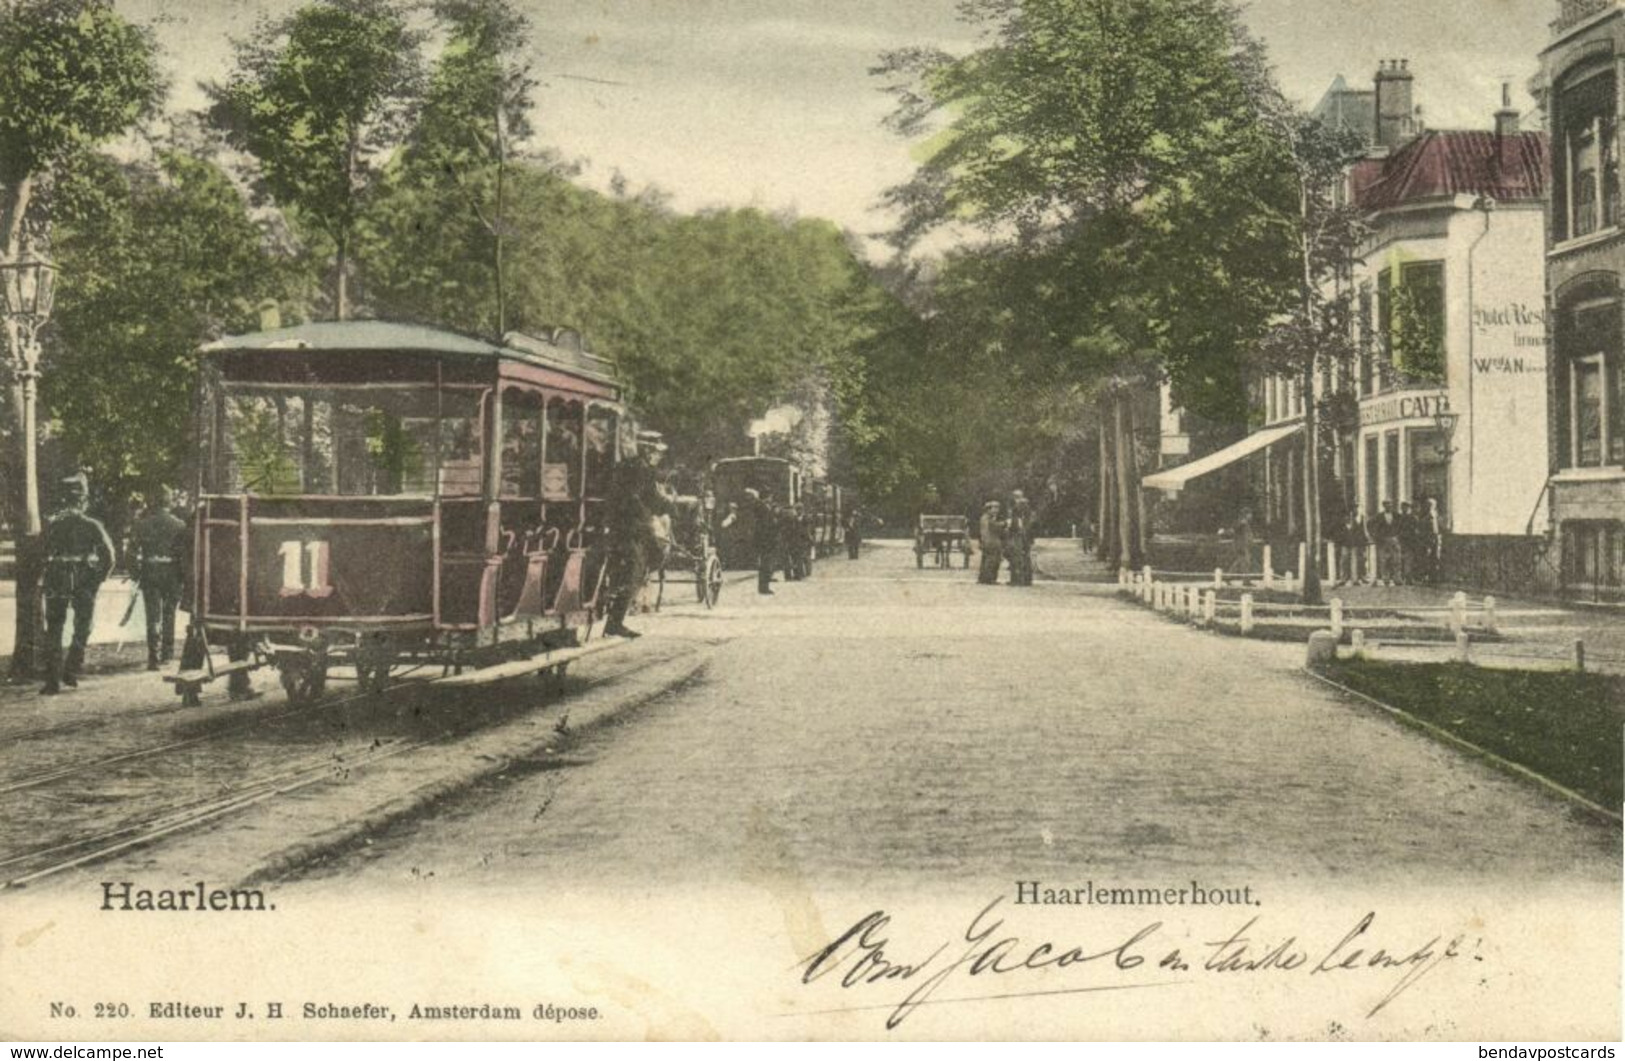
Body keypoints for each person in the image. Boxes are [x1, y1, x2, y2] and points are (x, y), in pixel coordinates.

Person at [39, 472, 115, 695]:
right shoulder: (92, 525)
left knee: (54, 628)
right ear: (83, 501)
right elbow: (109, 558)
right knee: (83, 626)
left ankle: (52, 680)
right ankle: (71, 669)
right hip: (83, 578)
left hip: (57, 577)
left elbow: (41, 553)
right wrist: (97, 579)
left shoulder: (53, 525)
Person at [603, 435, 673, 639]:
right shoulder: (643, 469)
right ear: (647, 451)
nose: (658, 457)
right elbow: (649, 497)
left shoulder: (625, 466)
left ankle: (616, 604)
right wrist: (670, 507)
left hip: (618, 524)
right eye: (656, 452)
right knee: (640, 565)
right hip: (633, 527)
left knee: (635, 566)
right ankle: (615, 622)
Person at [127, 486, 188, 670]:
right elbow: (185, 554)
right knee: (169, 614)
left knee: (152, 614)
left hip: (150, 572)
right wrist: (183, 575)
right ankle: (167, 654)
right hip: (172, 574)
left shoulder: (142, 524)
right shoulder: (179, 525)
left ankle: (153, 655)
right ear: (169, 502)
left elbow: (130, 553)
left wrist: (136, 573)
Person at [746, 489, 778, 595]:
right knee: (766, 563)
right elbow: (767, 524)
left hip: (763, 539)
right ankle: (764, 587)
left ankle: (764, 586)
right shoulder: (762, 507)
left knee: (765, 563)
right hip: (766, 540)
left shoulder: (759, 506)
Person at [1336, 509, 1370, 586]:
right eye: (1346, 517)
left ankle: (1355, 579)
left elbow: (1360, 534)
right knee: (1344, 561)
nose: (1347, 518)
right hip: (1345, 545)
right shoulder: (1342, 525)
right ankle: (1343, 578)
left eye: (1349, 516)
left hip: (1354, 545)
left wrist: (1360, 543)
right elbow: (1339, 535)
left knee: (1355, 561)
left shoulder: (1355, 524)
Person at [1370, 500, 1401, 586]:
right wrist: (1376, 536)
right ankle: (1385, 578)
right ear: (1384, 506)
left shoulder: (1397, 516)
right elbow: (1370, 524)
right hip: (1383, 540)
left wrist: (1398, 536)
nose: (1389, 507)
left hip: (1394, 539)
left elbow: (1402, 526)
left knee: (1396, 560)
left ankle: (1397, 578)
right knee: (1384, 560)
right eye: (1387, 505)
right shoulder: (1378, 516)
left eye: (1390, 505)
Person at [1006, 492, 1033, 587]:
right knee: (1024, 557)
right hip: (1024, 536)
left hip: (1018, 536)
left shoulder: (1017, 509)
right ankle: (1026, 579)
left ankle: (1017, 580)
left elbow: (1015, 524)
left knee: (1017, 558)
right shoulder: (1027, 510)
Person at [978, 501, 1007, 585]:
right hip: (992, 541)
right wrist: (1005, 523)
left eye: (997, 508)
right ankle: (990, 579)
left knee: (986, 560)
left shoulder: (983, 517)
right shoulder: (989, 518)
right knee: (993, 561)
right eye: (995, 508)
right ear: (989, 509)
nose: (997, 510)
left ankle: (983, 578)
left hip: (986, 541)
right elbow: (994, 526)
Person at [1396, 501, 1420, 586]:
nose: (1404, 509)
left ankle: (1409, 578)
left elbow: (1417, 530)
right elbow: (1396, 529)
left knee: (1409, 560)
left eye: (1406, 508)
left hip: (1410, 542)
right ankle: (1401, 578)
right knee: (1400, 559)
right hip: (1401, 541)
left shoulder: (1413, 518)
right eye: (1403, 507)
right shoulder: (1398, 518)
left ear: (1408, 509)